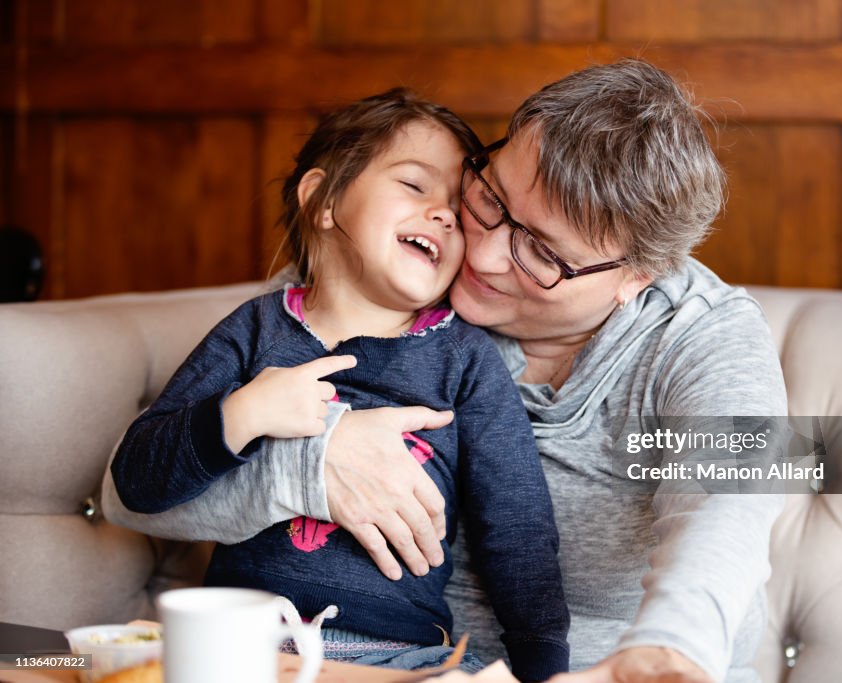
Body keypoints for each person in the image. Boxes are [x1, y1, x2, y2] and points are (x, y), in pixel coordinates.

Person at [104, 60, 787, 683]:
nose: (485, 256)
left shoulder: (699, 337)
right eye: (489, 199)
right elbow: (130, 494)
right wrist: (310, 464)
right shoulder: (381, 283)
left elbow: (732, 497)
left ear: (635, 277)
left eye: (540, 253)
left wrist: (671, 646)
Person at [107, 89, 570, 681]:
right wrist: (244, 413)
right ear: (322, 200)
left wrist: (544, 670)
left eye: (459, 205)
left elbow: (518, 528)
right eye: (414, 185)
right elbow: (137, 481)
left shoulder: (464, 360)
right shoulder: (255, 330)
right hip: (247, 646)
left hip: (399, 656)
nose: (446, 214)